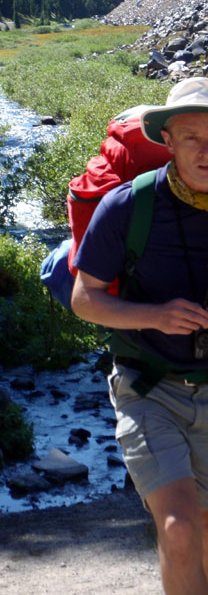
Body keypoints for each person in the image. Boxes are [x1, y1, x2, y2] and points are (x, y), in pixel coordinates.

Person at [71, 77, 208, 595]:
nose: (205, 151)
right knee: (178, 528)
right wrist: (155, 315)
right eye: (191, 137)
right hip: (149, 388)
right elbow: (85, 299)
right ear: (166, 141)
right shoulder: (128, 207)